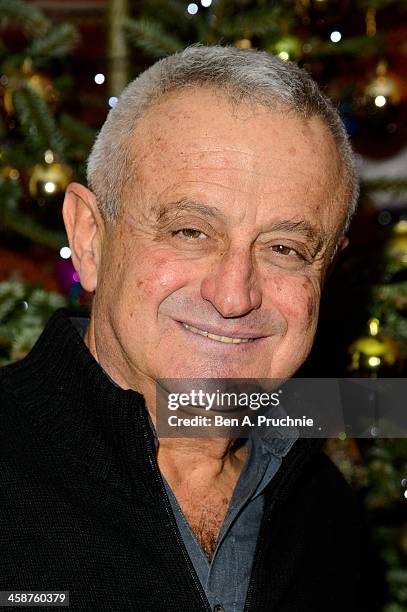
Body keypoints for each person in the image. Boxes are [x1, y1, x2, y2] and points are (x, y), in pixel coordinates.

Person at [0, 45, 385, 611]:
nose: (233, 296)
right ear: (90, 239)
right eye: (190, 231)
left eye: (284, 248)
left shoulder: (324, 514)